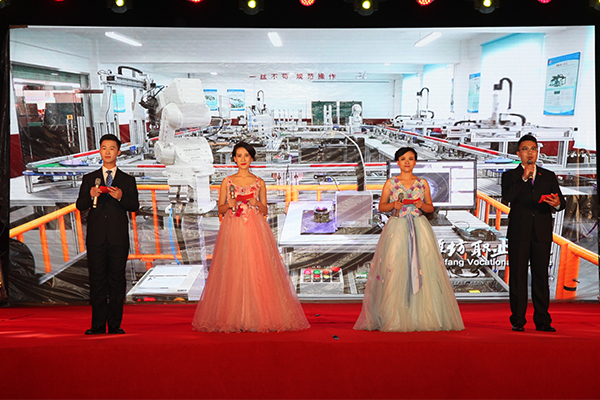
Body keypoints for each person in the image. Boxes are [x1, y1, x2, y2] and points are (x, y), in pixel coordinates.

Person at [192, 142, 309, 333]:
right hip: (233, 229)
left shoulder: (259, 182)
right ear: (234, 159)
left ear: (252, 158)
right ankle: (234, 316)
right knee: (233, 268)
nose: (243, 159)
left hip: (255, 230)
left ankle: (257, 315)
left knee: (257, 268)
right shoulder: (227, 181)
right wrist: (229, 205)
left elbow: (265, 209)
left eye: (246, 155)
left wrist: (256, 203)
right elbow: (220, 208)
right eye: (239, 156)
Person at [354, 147, 464, 332]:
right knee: (395, 267)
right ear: (397, 162)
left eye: (411, 159)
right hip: (397, 227)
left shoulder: (422, 183)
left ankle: (421, 315)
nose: (407, 162)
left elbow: (430, 208)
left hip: (419, 227)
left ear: (415, 162)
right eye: (403, 158)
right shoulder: (391, 183)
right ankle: (394, 315)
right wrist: (393, 205)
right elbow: (382, 206)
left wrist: (422, 205)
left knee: (423, 267)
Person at [76, 134, 139, 335]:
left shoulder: (127, 180)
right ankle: (97, 324)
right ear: (100, 151)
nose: (108, 152)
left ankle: (114, 324)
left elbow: (134, 206)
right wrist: (90, 196)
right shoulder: (90, 179)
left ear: (118, 152)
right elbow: (80, 205)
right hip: (96, 239)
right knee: (97, 281)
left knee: (117, 281)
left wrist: (121, 197)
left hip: (118, 238)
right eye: (104, 148)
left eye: (112, 148)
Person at [501, 134, 565, 332]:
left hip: (541, 233)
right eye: (525, 149)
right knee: (518, 277)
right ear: (518, 153)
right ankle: (518, 321)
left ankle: (543, 321)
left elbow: (561, 202)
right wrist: (523, 178)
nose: (530, 153)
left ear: (538, 152)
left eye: (533, 149)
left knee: (540, 277)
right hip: (519, 232)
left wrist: (557, 204)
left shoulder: (548, 175)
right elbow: (508, 196)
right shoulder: (510, 176)